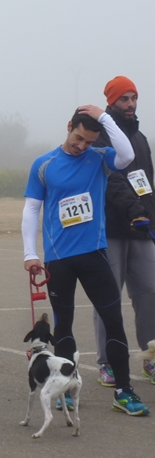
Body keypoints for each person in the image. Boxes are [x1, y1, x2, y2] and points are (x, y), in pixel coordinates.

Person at [22, 104, 149, 415]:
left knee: (113, 321)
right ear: (69, 126)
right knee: (63, 325)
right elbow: (32, 209)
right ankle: (64, 390)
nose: (82, 146)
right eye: (78, 138)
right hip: (59, 260)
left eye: (89, 142)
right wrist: (30, 253)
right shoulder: (44, 164)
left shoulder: (100, 158)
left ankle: (124, 390)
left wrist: (104, 117)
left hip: (94, 256)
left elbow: (128, 155)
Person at [91, 77, 155, 387]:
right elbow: (113, 181)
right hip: (111, 230)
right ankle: (108, 362)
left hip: (141, 230)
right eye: (124, 99)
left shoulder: (141, 138)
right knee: (108, 297)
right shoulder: (100, 136)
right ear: (112, 102)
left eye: (133, 98)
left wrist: (148, 217)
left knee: (150, 292)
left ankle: (151, 357)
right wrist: (135, 211)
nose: (130, 104)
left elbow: (146, 184)